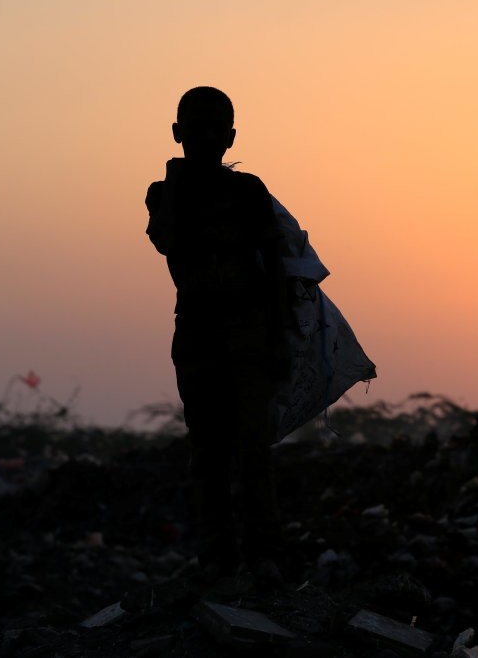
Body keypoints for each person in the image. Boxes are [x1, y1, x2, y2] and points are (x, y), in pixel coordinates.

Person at [145, 86, 289, 589]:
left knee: (253, 449)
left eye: (216, 129)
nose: (206, 138)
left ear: (231, 136)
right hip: (198, 334)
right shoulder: (164, 193)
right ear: (178, 134)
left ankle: (264, 558)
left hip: (248, 331)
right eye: (196, 128)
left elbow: (275, 268)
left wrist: (278, 339)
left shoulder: (248, 191)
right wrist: (177, 176)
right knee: (206, 451)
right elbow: (167, 239)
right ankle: (217, 562)